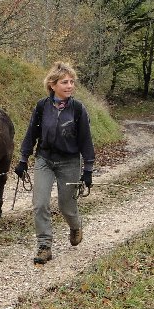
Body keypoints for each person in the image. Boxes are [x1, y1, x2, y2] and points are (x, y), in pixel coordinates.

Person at [13, 62, 95, 264]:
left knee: (66, 206)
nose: (70, 86)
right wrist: (23, 159)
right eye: (64, 82)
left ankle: (75, 226)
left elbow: (86, 141)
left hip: (69, 162)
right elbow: (31, 133)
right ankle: (44, 246)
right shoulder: (42, 106)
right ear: (52, 85)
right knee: (40, 204)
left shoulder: (77, 109)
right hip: (45, 160)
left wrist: (88, 170)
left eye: (72, 82)